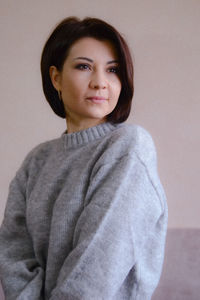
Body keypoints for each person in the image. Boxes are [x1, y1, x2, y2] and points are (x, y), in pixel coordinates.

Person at [0, 17, 168, 300]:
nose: (100, 82)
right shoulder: (36, 161)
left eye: (113, 70)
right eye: (84, 66)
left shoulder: (129, 145)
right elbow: (13, 251)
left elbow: (101, 259)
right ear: (56, 78)